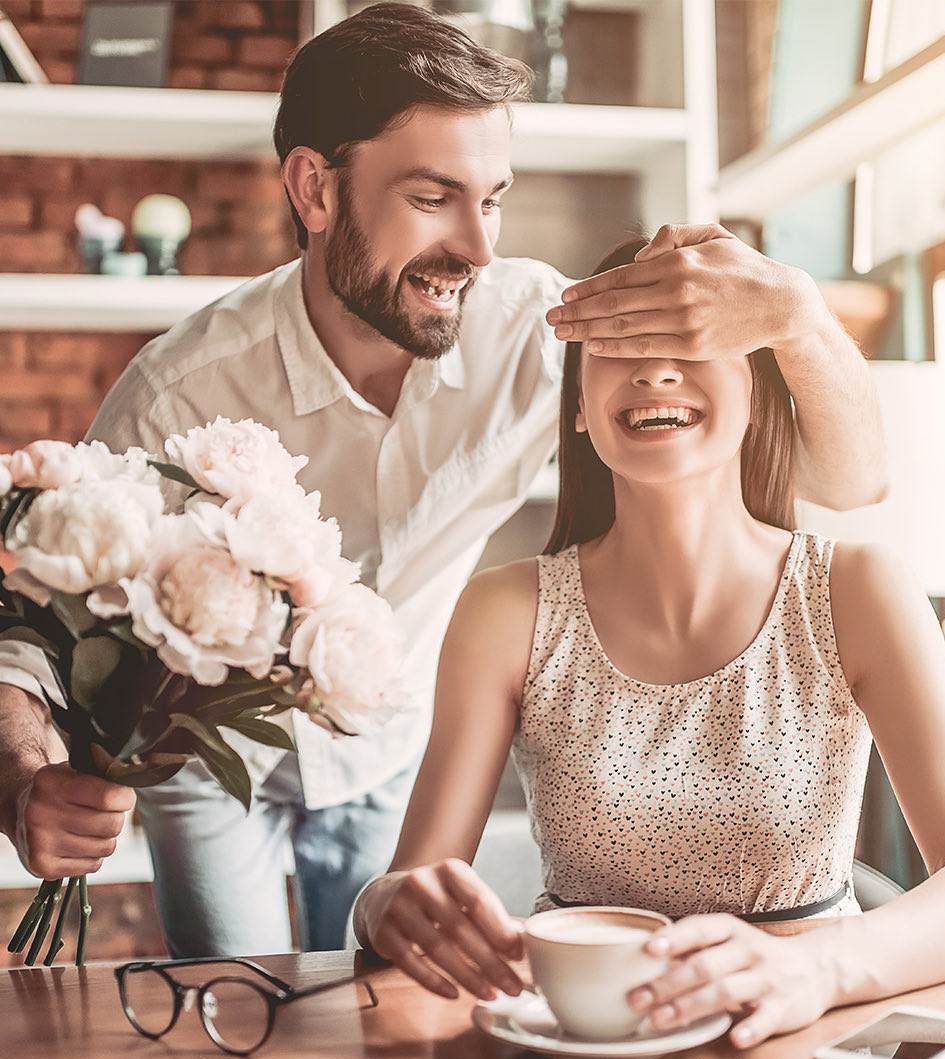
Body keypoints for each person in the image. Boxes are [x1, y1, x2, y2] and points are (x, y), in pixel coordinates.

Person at [0, 4, 885, 958]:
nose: (479, 247)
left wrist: (794, 314)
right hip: (214, 765)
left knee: (382, 1001)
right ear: (315, 188)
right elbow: (30, 631)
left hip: (395, 749)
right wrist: (24, 783)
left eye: (492, 197)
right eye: (433, 197)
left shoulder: (539, 327)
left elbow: (852, 479)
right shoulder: (180, 389)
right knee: (236, 1009)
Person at [354, 237, 945, 1046]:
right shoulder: (506, 608)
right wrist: (379, 906)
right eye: (622, 346)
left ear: (758, 391)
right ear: (576, 401)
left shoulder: (857, 591)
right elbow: (412, 888)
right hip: (586, 1044)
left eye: (691, 343)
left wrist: (820, 968)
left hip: (803, 1042)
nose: (654, 370)